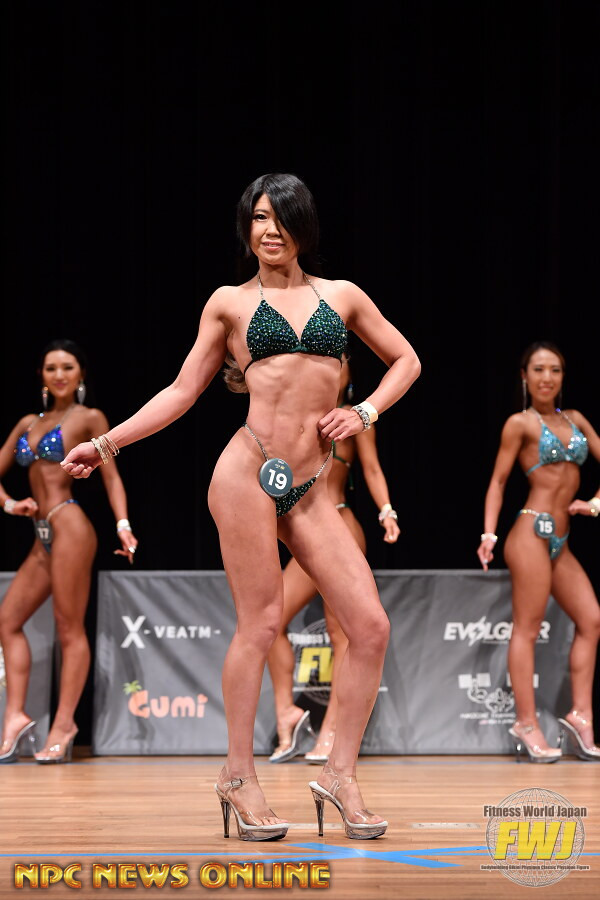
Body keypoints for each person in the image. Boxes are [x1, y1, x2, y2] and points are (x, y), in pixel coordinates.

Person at [61, 173, 420, 840]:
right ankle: (237, 775)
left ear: (302, 226)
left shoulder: (341, 295)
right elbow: (180, 391)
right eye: (258, 217)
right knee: (260, 623)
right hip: (248, 471)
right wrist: (105, 444)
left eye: (281, 218)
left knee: (370, 626)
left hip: (310, 486)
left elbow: (406, 360)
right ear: (246, 228)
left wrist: (365, 411)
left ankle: (339, 773)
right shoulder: (229, 303)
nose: (269, 230)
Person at [0, 339, 138, 765]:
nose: (58, 374)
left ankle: (64, 725)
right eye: (50, 368)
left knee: (69, 629)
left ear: (80, 374)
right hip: (40, 534)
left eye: (67, 367)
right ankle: (15, 716)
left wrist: (123, 525)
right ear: (41, 376)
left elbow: (112, 478)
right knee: (7, 621)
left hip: (70, 526)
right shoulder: (28, 423)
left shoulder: (89, 417)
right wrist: (9, 504)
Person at [265, 356, 401, 764]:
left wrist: (387, 511)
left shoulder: (355, 419)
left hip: (340, 523)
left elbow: (372, 470)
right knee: (268, 623)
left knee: (344, 634)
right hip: (301, 528)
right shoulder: (292, 415)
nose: (332, 369)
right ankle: (287, 713)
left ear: (348, 374)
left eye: (341, 363)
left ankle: (331, 730)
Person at [477, 341, 600, 762]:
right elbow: (497, 482)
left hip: (561, 540)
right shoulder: (520, 424)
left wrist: (595, 503)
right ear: (525, 377)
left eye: (555, 370)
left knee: (591, 619)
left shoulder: (576, 419)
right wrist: (489, 534)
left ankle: (581, 716)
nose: (547, 377)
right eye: (539, 369)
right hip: (530, 532)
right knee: (527, 629)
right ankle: (526, 722)